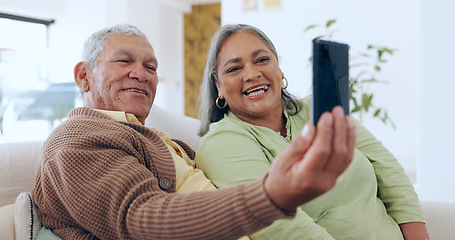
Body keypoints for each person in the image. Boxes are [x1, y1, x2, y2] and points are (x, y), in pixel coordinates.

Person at [32, 24, 355, 240]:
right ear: (84, 76)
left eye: (151, 67)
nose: (141, 74)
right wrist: (271, 195)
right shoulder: (76, 138)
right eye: (123, 61)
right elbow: (142, 219)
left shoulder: (154, 137)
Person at [195, 23, 430, 240]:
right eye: (234, 68)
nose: (252, 74)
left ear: (279, 68)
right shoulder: (222, 141)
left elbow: (389, 172)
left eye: (262, 60)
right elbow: (280, 227)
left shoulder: (317, 110)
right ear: (219, 86)